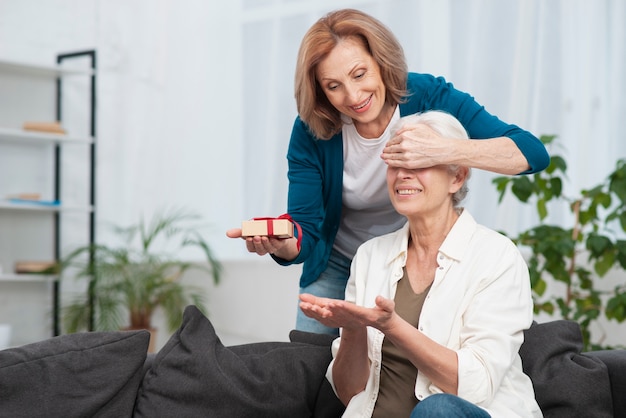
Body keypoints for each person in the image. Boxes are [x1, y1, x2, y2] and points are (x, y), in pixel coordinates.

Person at [227, 8, 549, 335]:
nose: (353, 97)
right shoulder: (313, 130)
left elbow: (531, 153)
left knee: (410, 364)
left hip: (414, 260)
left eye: (359, 74)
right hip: (339, 264)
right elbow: (305, 231)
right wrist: (279, 243)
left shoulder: (427, 96)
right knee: (311, 369)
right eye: (333, 86)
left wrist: (442, 148)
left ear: (381, 61)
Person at [299, 110, 542, 418]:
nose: (403, 174)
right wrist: (353, 329)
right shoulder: (370, 256)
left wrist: (392, 326)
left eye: (419, 162)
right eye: (395, 163)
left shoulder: (496, 256)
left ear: (457, 176)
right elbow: (349, 393)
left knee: (437, 410)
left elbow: (476, 385)